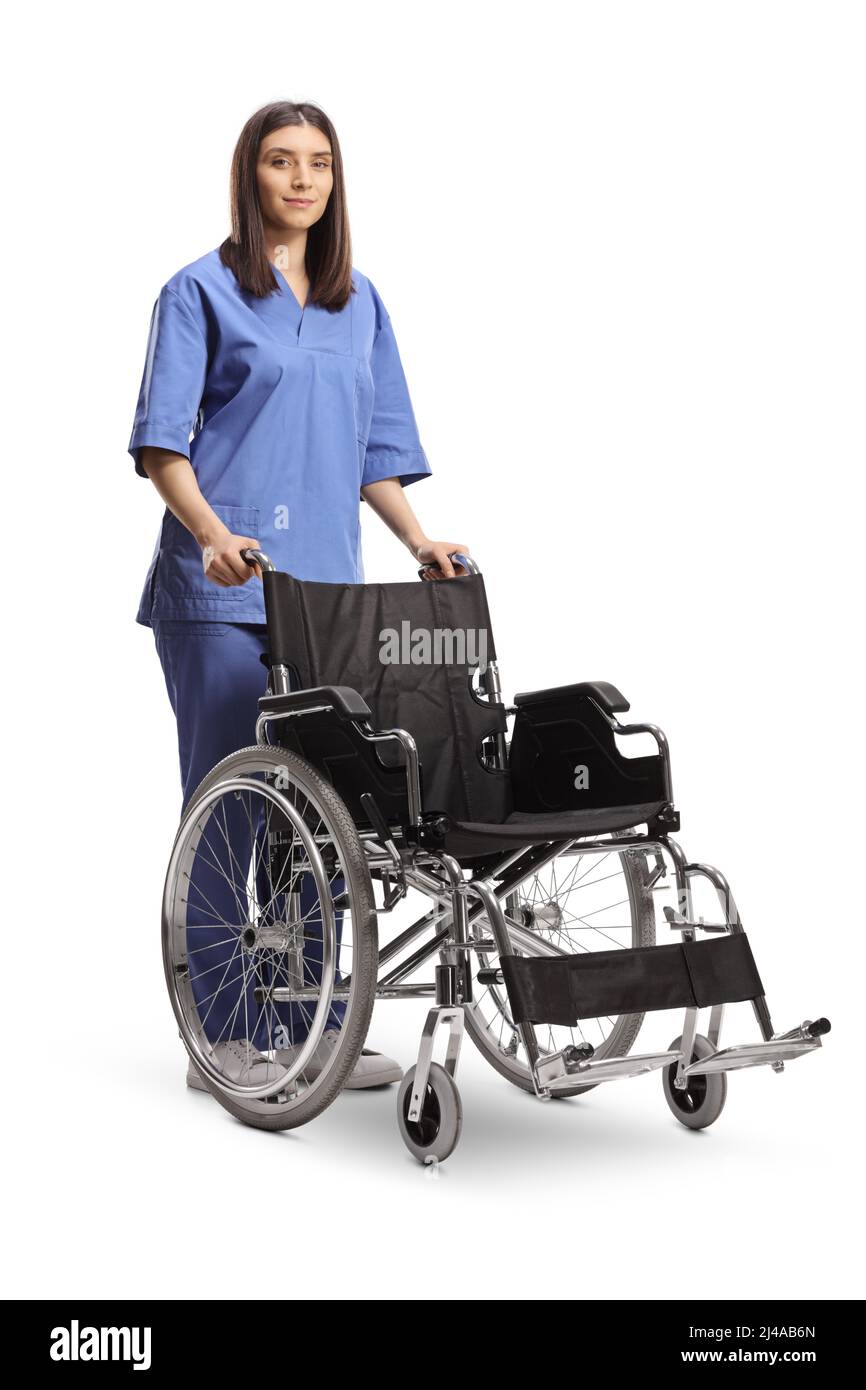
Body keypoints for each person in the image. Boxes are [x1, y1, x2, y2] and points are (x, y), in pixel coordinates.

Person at [128, 99, 471, 1095]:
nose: (301, 179)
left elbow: (378, 452)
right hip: (222, 593)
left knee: (320, 819)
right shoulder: (197, 292)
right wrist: (211, 534)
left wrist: (416, 540)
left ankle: (309, 1022)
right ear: (251, 175)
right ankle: (227, 1033)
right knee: (234, 806)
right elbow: (163, 444)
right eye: (281, 162)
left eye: (318, 162)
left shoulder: (355, 301)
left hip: (327, 601)